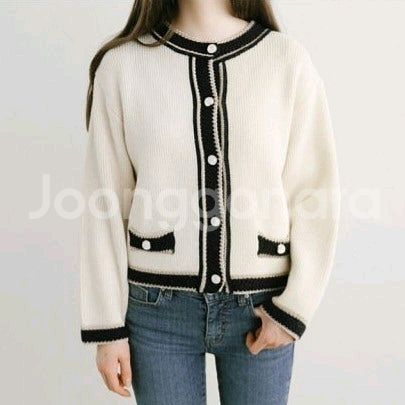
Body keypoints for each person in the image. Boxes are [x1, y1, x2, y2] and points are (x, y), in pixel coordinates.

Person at [79, 0, 340, 404]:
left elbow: (314, 192)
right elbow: (105, 204)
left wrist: (293, 309)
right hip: (156, 311)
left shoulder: (286, 60)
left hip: (263, 308)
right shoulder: (123, 66)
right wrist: (106, 328)